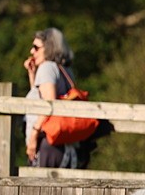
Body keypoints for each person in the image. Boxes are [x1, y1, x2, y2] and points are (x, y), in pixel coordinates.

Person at [24, 28, 106, 168]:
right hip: (67, 146)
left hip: (49, 145)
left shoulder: (46, 68)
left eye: (36, 47)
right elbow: (41, 98)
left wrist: (33, 135)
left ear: (49, 47)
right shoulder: (65, 70)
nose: (32, 51)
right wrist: (33, 76)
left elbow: (49, 104)